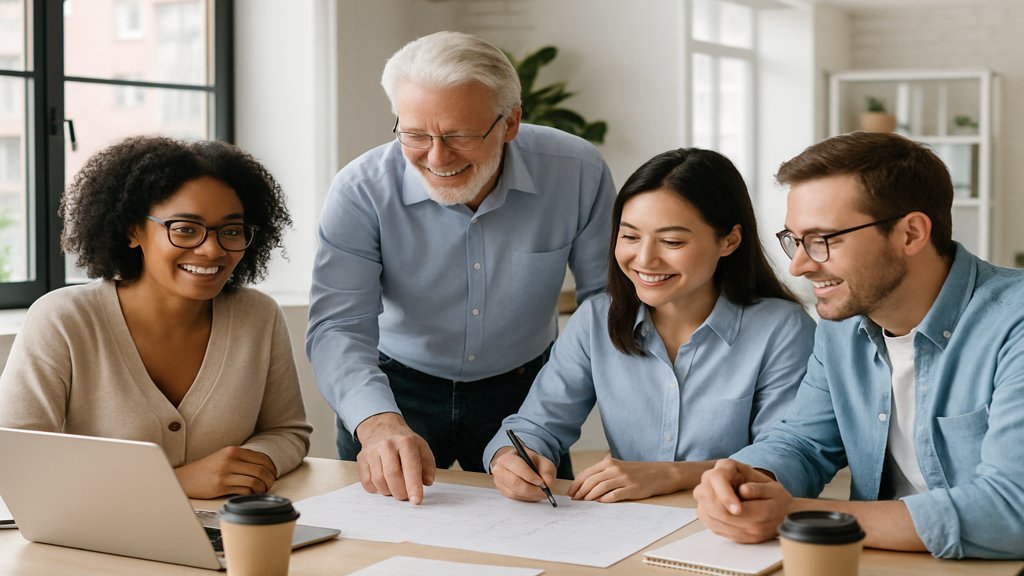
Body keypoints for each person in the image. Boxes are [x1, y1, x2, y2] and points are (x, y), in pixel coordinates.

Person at [306, 31, 616, 505]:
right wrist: (377, 422)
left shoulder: (577, 171)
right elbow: (338, 325)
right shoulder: (360, 189)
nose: (436, 158)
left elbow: (606, 304)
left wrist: (544, 421)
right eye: (415, 135)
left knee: (539, 538)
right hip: (394, 390)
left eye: (459, 136)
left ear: (510, 122)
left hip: (525, 389)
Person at [694, 131, 1024, 559]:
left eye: (823, 240)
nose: (798, 266)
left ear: (910, 234)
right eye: (794, 239)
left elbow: (1011, 509)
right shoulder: (841, 325)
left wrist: (795, 515)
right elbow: (804, 443)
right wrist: (749, 479)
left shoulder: (1013, 322)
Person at [484, 148, 815, 503]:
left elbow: (786, 460)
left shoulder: (782, 330)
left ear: (729, 240)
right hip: (626, 526)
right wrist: (513, 457)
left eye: (672, 241)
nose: (644, 259)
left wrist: (671, 475)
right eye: (629, 237)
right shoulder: (597, 320)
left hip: (735, 526)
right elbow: (536, 425)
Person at [0, 136, 312, 499]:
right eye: (184, 229)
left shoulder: (257, 315)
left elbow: (287, 431)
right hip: (96, 538)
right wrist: (176, 483)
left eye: (230, 231)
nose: (212, 249)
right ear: (133, 230)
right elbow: (17, 457)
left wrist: (250, 464)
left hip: (229, 530)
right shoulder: (63, 320)